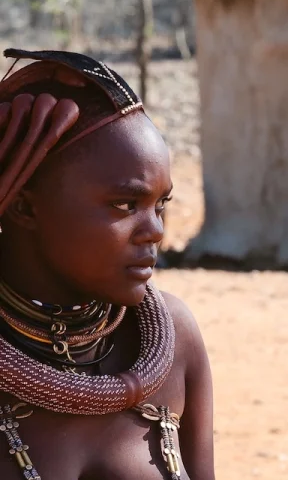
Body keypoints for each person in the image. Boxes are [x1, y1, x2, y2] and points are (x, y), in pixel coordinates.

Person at [0, 48, 215, 480]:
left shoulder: (172, 340)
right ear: (26, 207)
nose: (154, 230)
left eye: (160, 204)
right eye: (124, 203)